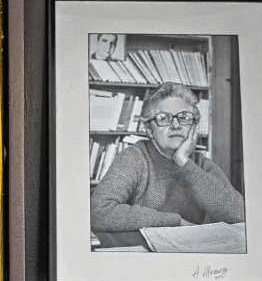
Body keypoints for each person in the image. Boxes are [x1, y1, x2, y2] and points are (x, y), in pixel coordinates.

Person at [90, 82, 245, 233]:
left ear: (194, 127)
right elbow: (98, 212)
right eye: (163, 118)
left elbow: (240, 215)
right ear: (150, 130)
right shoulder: (134, 158)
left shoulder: (201, 165)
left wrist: (184, 163)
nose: (176, 125)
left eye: (184, 117)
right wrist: (174, 222)